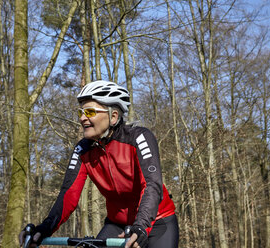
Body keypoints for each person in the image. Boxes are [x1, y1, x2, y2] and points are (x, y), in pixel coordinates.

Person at [19, 80, 179, 248]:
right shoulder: (83, 149)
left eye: (89, 112)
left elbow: (152, 185)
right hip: (116, 223)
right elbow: (69, 194)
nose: (82, 118)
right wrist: (45, 228)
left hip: (157, 222)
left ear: (114, 116)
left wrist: (141, 227)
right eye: (80, 112)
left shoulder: (138, 138)